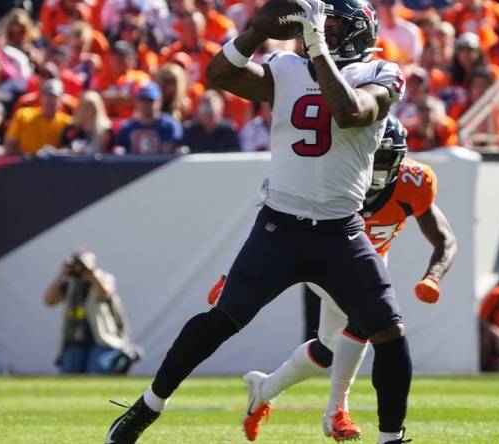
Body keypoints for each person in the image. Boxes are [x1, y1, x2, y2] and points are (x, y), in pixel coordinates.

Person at [104, 0, 413, 442]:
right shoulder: (287, 66)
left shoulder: (381, 74)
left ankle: (391, 439)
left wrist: (318, 47)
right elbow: (220, 76)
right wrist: (253, 32)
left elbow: (349, 112)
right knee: (222, 319)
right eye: (319, 24)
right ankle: (147, 407)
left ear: (360, 31)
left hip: (341, 231)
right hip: (281, 226)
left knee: (389, 331)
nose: (321, 31)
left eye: (333, 25)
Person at [210, 116, 457, 441]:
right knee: (365, 319)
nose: (378, 167)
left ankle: (264, 389)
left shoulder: (415, 182)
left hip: (370, 259)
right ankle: (336, 411)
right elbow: (270, 218)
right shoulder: (333, 174)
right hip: (325, 254)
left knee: (327, 349)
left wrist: (433, 276)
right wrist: (231, 274)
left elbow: (445, 239)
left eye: (386, 158)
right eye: (374, 156)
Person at [44, 249, 141, 374]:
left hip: (103, 340)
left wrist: (91, 272)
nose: (80, 268)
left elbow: (105, 293)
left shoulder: (104, 278)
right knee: (69, 372)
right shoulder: (71, 283)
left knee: (96, 370)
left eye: (82, 265)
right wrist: (62, 274)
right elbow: (49, 300)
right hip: (77, 341)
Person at [4, 79, 72, 155]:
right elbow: (9, 147)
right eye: (47, 95)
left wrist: (55, 153)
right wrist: (31, 158)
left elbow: (72, 151)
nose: (50, 100)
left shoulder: (67, 123)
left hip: (54, 165)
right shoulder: (23, 115)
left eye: (54, 96)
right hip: (25, 165)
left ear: (61, 99)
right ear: (41, 97)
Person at [115, 82, 182, 155]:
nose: (146, 105)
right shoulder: (127, 128)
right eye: (143, 101)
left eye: (150, 101)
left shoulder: (169, 126)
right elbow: (121, 149)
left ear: (159, 101)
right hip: (134, 166)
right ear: (137, 102)